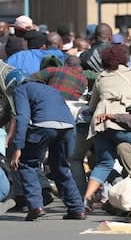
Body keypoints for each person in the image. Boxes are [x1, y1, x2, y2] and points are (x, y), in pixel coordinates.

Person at [83, 45, 131, 211]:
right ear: (124, 59)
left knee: (104, 163)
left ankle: (87, 198)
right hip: (124, 122)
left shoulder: (101, 77)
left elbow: (92, 106)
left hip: (101, 123)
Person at [6, 69, 86, 220]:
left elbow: (22, 118)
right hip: (67, 127)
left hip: (43, 126)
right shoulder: (51, 90)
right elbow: (66, 113)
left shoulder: (20, 89)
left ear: (14, 84)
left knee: (27, 165)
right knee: (60, 167)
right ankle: (77, 208)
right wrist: (70, 147)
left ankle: (35, 207)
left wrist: (18, 147)